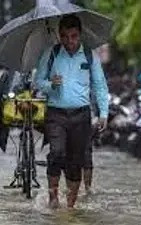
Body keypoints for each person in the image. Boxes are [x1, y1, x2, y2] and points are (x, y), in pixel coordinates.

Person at [35, 15, 109, 209]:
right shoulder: (50, 53)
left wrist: (103, 113)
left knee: (76, 160)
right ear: (59, 36)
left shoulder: (90, 56)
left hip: (81, 115)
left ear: (80, 34)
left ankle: (70, 206)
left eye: (74, 36)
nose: (70, 41)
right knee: (57, 152)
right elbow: (38, 82)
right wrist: (51, 85)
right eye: (65, 37)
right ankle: (53, 197)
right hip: (56, 114)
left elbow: (100, 85)